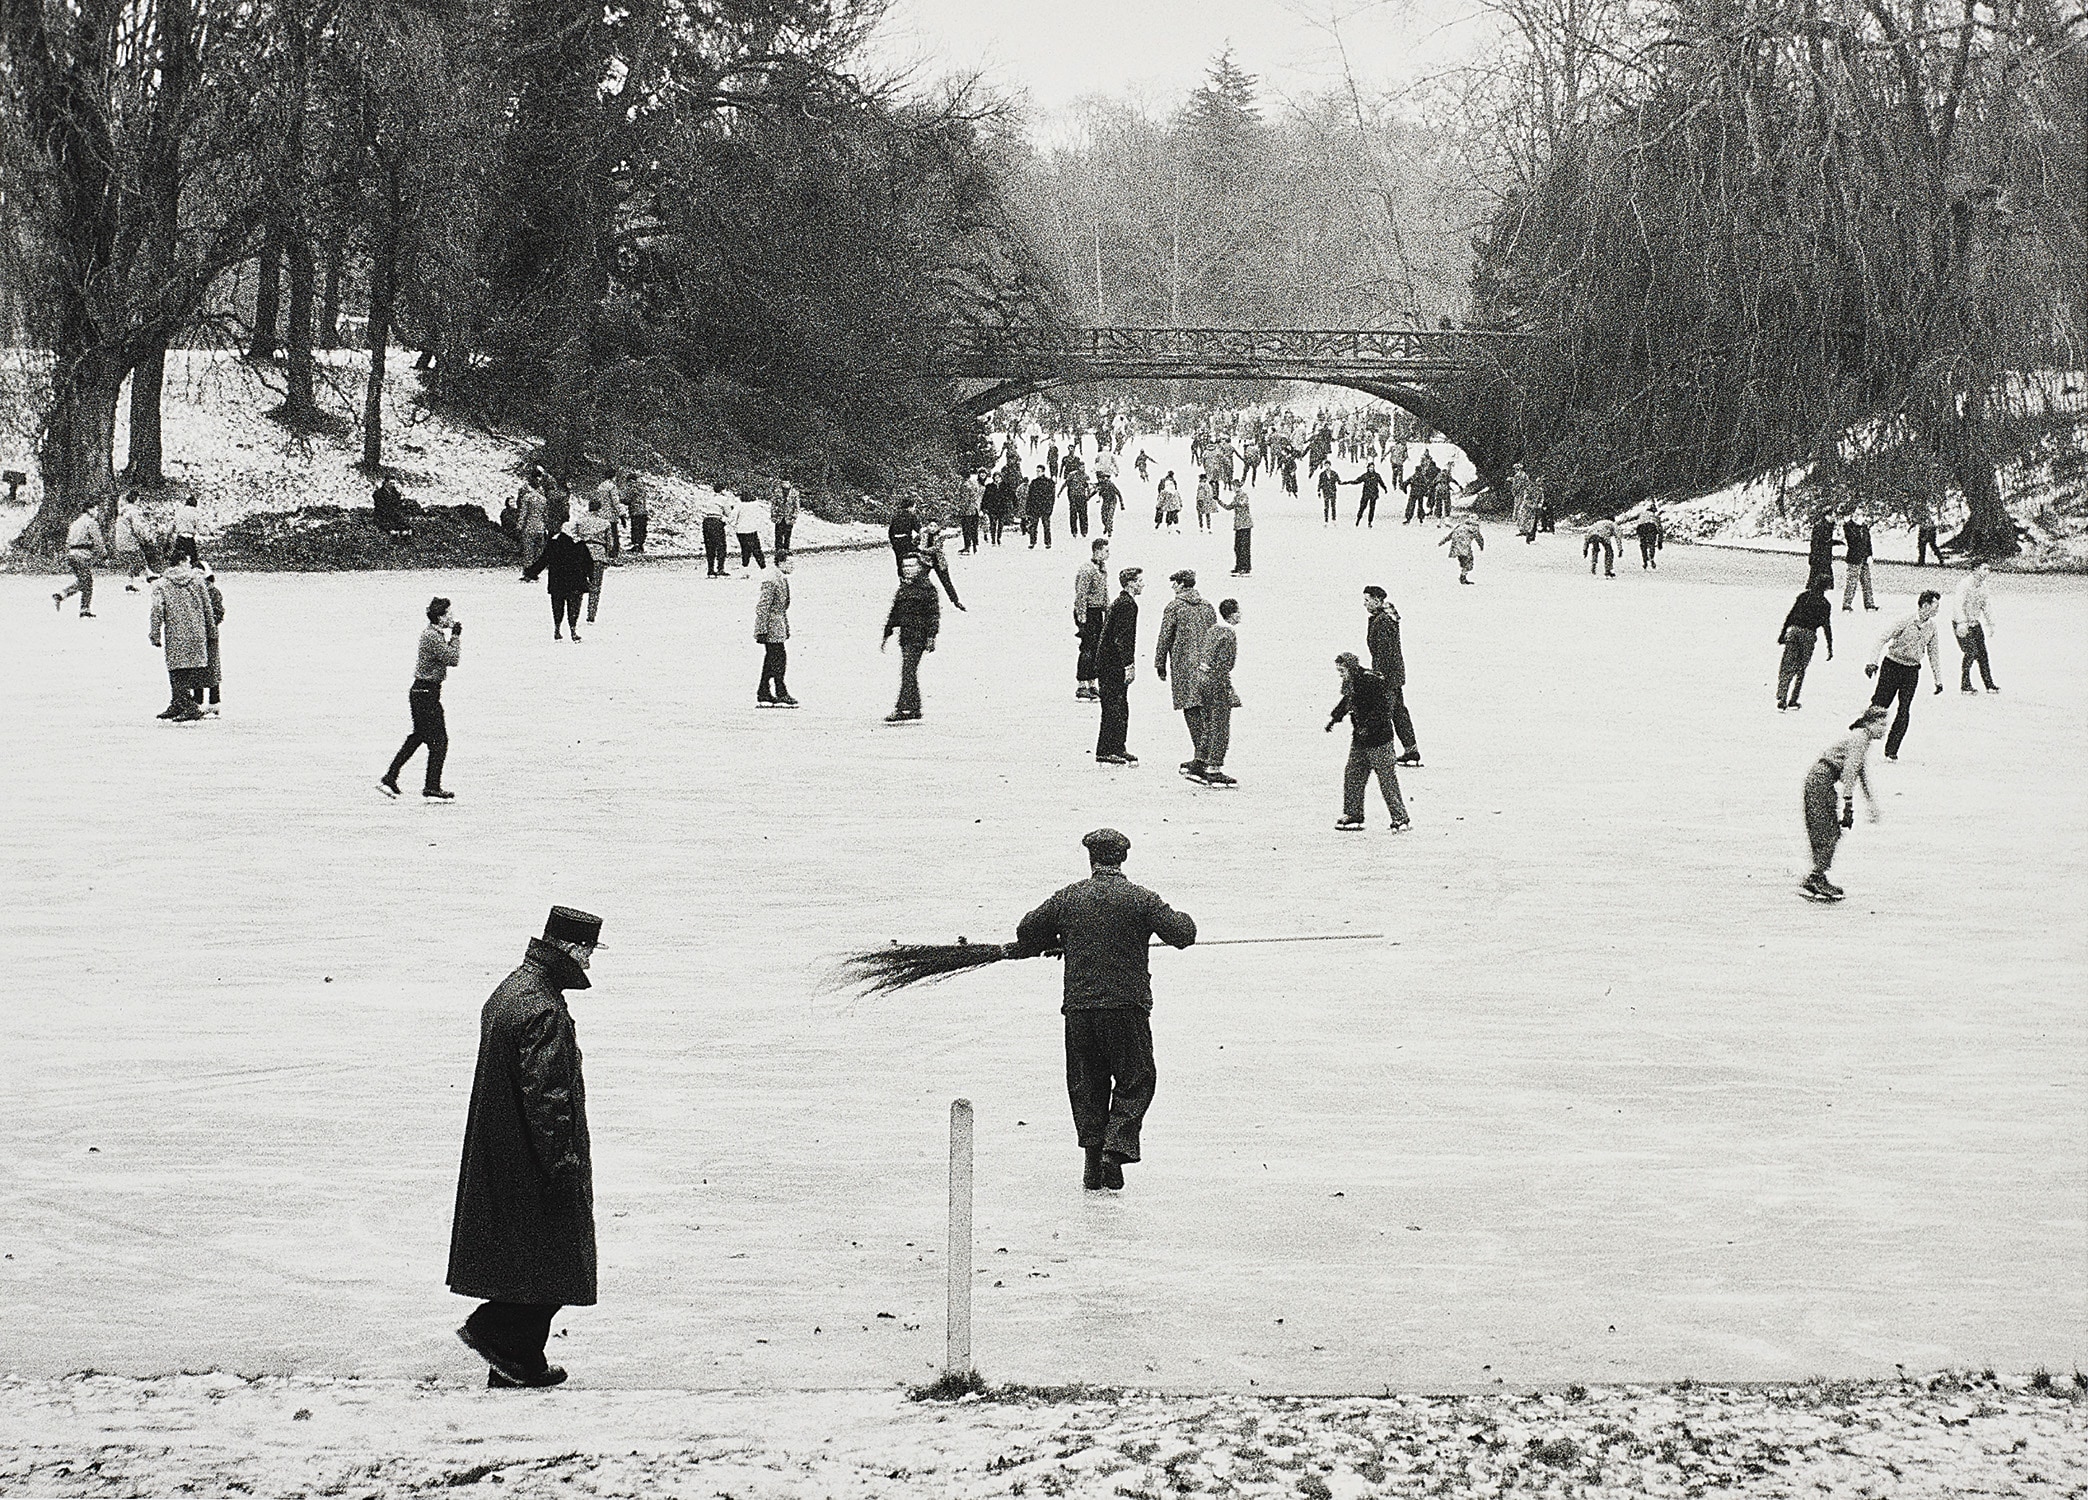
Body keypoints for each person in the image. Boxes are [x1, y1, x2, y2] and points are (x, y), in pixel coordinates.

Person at [449, 905, 605, 1389]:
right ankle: (498, 1333)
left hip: (504, 1152)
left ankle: (519, 1358)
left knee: (529, 1263)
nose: (589, 962)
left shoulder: (513, 991)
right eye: (588, 952)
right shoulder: (543, 1008)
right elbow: (549, 1095)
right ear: (574, 949)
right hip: (533, 1158)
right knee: (557, 1259)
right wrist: (564, 1165)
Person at [1005, 829, 1197, 1191]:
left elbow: (1026, 930)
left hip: (1080, 1009)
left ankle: (1093, 1163)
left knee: (1086, 1084)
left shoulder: (1068, 898)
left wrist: (1058, 940)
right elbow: (1183, 934)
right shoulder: (1141, 899)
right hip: (1127, 1008)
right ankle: (1115, 1148)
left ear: (1091, 858)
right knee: (1136, 1078)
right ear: (1122, 858)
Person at [379, 596, 463, 800]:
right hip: (425, 694)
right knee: (439, 741)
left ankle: (391, 777)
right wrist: (456, 637)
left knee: (419, 737)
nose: (451, 617)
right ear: (440, 616)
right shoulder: (432, 636)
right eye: (448, 614)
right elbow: (452, 659)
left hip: (424, 693)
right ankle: (431, 786)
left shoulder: (433, 633)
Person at [1800, 707, 1885, 901]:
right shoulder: (1860, 739)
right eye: (1881, 724)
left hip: (1821, 781)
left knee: (1829, 830)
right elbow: (1849, 771)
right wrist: (1848, 805)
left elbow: (1860, 772)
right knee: (1827, 830)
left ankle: (1818, 875)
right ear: (1869, 723)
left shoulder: (1861, 738)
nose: (1884, 729)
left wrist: (1870, 802)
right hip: (1821, 781)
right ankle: (1816, 877)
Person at [1328, 653, 1410, 832]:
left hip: (1379, 740)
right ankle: (1353, 815)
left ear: (1350, 668)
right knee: (1353, 775)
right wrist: (1335, 718)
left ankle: (1400, 818)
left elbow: (1383, 708)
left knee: (1387, 780)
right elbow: (1347, 702)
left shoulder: (1369, 682)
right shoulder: (1352, 684)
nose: (1340, 674)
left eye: (1342, 671)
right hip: (1361, 740)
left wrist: (1369, 727)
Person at [1864, 589, 1945, 760]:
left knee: (1904, 709)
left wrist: (1938, 680)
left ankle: (1891, 750)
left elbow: (1934, 654)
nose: (1938, 610)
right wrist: (1872, 662)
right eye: (1935, 605)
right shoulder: (1906, 620)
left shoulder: (1931, 627)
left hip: (1911, 670)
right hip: (1892, 666)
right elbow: (1882, 638)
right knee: (1880, 704)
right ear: (1925, 605)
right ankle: (1861, 735)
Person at [1153, 569, 1217, 779]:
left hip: (1184, 666)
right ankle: (1205, 754)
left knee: (1191, 709)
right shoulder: (1207, 606)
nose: (1172, 587)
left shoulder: (1174, 607)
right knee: (1206, 711)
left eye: (1174, 583)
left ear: (1181, 584)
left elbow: (1165, 637)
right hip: (1206, 666)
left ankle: (1201, 757)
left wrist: (1159, 663)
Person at [147, 554, 217, 722]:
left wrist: (155, 633)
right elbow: (207, 607)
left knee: (176, 670)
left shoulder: (161, 584)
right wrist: (211, 630)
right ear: (183, 562)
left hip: (176, 632)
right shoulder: (198, 581)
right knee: (189, 669)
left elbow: (157, 610)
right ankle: (179, 702)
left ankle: (187, 705)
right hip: (196, 631)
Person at [1363, 586, 1421, 766]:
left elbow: (1385, 652)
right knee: (1398, 712)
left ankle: (1385, 753)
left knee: (1384, 713)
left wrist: (1379, 677)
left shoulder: (1382, 622)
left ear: (1378, 600)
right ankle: (1411, 750)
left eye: (1367, 600)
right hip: (1393, 674)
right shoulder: (1383, 618)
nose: (1364, 604)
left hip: (1387, 675)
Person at [882, 553, 940, 722]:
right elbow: (895, 611)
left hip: (919, 636)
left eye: (911, 566)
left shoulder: (927, 589)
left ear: (919, 568)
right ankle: (914, 707)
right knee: (909, 671)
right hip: (906, 635)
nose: (907, 570)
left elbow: (934, 615)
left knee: (908, 671)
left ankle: (903, 708)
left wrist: (931, 637)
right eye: (905, 567)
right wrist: (888, 630)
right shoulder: (904, 588)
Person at [1095, 567, 1143, 765]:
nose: (1142, 584)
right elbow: (1123, 638)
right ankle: (1109, 749)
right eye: (1139, 580)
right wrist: (1128, 665)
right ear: (1130, 583)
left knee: (1118, 706)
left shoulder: (1123, 602)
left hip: (1108, 664)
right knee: (1115, 707)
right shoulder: (1127, 605)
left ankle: (1116, 747)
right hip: (1112, 665)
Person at [1193, 599, 1241, 786]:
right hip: (1216, 682)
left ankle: (1200, 761)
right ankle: (1214, 768)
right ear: (1232, 614)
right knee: (1220, 725)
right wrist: (1228, 688)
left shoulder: (1212, 630)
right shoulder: (1228, 634)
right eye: (1238, 611)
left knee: (1208, 723)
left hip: (1202, 680)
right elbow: (1224, 665)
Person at [1775, 573, 1835, 711]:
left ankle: (1782, 696)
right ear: (1826, 588)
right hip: (1808, 635)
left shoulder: (1803, 597)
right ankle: (1793, 699)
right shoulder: (1825, 604)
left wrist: (1783, 633)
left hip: (1794, 631)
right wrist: (1830, 646)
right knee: (1801, 668)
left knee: (1786, 665)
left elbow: (1790, 615)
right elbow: (1826, 626)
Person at [524, 523, 593, 641]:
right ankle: (573, 630)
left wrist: (531, 572)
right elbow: (588, 563)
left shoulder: (553, 544)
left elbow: (543, 560)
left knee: (557, 607)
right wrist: (591, 577)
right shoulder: (580, 544)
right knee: (574, 607)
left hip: (557, 582)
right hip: (576, 582)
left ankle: (557, 629)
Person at [753, 551, 797, 707]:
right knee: (778, 658)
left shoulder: (779, 578)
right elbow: (763, 607)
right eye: (790, 563)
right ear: (781, 563)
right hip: (771, 626)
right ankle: (780, 691)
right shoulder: (772, 580)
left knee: (773, 658)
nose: (793, 567)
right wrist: (761, 629)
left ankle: (764, 691)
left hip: (777, 625)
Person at [1073, 539, 1110, 701]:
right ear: (1096, 551)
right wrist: (1082, 617)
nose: (1108, 554)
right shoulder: (1087, 570)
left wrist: (1108, 610)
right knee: (1087, 648)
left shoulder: (1101, 568)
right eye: (1106, 551)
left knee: (1096, 648)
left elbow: (1104, 592)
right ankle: (1082, 685)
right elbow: (1081, 594)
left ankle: (1092, 683)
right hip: (1087, 612)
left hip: (1097, 613)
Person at [53, 500, 104, 617]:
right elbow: (98, 541)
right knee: (88, 582)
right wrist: (103, 554)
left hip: (72, 554)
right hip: (82, 554)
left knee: (83, 580)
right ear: (89, 510)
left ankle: (61, 595)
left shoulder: (75, 523)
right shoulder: (91, 522)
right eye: (96, 509)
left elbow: (68, 541)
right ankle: (84, 610)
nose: (97, 512)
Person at [1954, 562, 1999, 693]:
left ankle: (1989, 685)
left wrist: (1991, 623)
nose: (1987, 572)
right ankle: (1965, 685)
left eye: (1988, 569)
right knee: (1971, 652)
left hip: (1975, 622)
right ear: (1975, 569)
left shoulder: (1983, 586)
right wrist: (1961, 623)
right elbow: (1958, 604)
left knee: (1983, 654)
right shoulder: (1964, 585)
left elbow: (1986, 606)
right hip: (1961, 623)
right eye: (1984, 569)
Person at [571, 497, 614, 623]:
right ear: (600, 509)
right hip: (598, 555)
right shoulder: (605, 523)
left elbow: (573, 537)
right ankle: (591, 615)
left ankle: (575, 612)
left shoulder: (580, 521)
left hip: (581, 554)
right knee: (595, 586)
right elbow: (610, 543)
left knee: (578, 586)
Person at [112, 492, 160, 591]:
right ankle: (148, 575)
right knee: (137, 556)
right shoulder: (134, 511)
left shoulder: (122, 511)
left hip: (120, 538)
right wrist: (147, 537)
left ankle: (134, 580)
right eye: (139, 499)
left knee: (135, 559)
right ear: (136, 499)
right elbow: (138, 527)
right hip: (130, 538)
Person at [1840, 512, 1876, 611]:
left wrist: (1870, 555)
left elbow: (1868, 543)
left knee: (1867, 582)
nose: (1862, 518)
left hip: (1864, 559)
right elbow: (1852, 539)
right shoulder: (1849, 527)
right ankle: (1846, 605)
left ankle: (1869, 604)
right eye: (1860, 516)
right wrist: (1849, 523)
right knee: (1852, 583)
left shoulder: (1864, 529)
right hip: (1854, 559)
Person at [516, 476, 550, 577]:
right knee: (538, 551)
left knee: (528, 551)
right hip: (540, 527)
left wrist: (519, 526)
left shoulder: (527, 497)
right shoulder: (543, 499)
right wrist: (545, 527)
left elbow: (523, 514)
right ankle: (535, 572)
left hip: (529, 527)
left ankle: (527, 573)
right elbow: (545, 515)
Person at [733, 489, 771, 575]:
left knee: (745, 550)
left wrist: (734, 525)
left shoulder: (739, 506)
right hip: (752, 530)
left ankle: (745, 570)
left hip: (741, 530)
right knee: (757, 549)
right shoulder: (755, 505)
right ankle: (763, 568)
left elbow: (733, 517)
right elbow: (759, 517)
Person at [1218, 484, 1252, 576]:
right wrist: (1218, 501)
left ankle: (1245, 567)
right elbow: (1228, 507)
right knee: (1237, 547)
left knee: (1244, 547)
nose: (1234, 489)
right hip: (1238, 525)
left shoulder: (1244, 496)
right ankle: (1239, 566)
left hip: (1245, 525)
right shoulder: (1236, 497)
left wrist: (1236, 501)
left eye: (1235, 487)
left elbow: (1242, 503)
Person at [1439, 515, 1484, 583]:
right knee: (1469, 562)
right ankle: (1463, 577)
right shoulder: (1475, 528)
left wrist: (1442, 542)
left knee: (1463, 561)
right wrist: (1481, 546)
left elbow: (1450, 535)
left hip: (1456, 547)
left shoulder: (1460, 526)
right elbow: (1479, 538)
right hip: (1465, 547)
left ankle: (1463, 576)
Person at [1344, 460, 1389, 527]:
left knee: (1372, 509)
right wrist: (1348, 482)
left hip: (1373, 494)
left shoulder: (1377, 475)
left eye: (1372, 467)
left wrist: (1385, 488)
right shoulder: (1365, 476)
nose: (1371, 469)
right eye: (1370, 467)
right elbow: (1357, 481)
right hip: (1366, 494)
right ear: (1368, 468)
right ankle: (1358, 519)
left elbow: (1381, 483)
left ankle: (1370, 522)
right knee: (1362, 507)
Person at [700, 492, 731, 578]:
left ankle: (710, 570)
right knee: (721, 546)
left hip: (706, 521)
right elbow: (728, 513)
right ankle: (720, 569)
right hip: (716, 521)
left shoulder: (709, 497)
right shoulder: (724, 499)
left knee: (709, 546)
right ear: (723, 490)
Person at [1023, 468, 1055, 550]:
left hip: (1045, 508)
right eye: (1036, 471)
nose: (1037, 473)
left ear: (1043, 472)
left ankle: (1048, 542)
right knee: (1033, 526)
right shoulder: (1034, 482)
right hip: (1035, 508)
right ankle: (1032, 542)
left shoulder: (1049, 482)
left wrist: (1050, 508)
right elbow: (1029, 497)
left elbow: (1052, 497)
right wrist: (1028, 508)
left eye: (1039, 471)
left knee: (1046, 526)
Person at [1511, 464, 1542, 543]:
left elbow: (1516, 486)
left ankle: (1524, 530)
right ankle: (1526, 531)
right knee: (1525, 514)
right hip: (1523, 496)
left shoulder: (1519, 476)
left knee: (1521, 512)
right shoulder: (1525, 476)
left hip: (1521, 495)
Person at [1063, 455, 1091, 538]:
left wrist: (1088, 495)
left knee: (1083, 515)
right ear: (1078, 467)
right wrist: (1060, 492)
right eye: (1082, 467)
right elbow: (1066, 483)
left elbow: (1088, 486)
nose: (1083, 468)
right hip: (1073, 497)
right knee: (1073, 515)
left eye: (1084, 467)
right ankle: (1074, 531)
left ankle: (1084, 531)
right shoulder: (1072, 475)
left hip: (1082, 497)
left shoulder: (1086, 476)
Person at [957, 471, 985, 554]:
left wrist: (960, 509)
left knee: (966, 529)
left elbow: (965, 500)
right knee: (974, 529)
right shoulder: (975, 484)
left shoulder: (965, 485)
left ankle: (967, 547)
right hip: (975, 510)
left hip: (967, 511)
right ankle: (975, 546)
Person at [1807, 513, 1838, 583]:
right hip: (1819, 557)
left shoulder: (1828, 525)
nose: (1834, 518)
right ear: (1826, 516)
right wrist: (1833, 542)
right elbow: (1818, 542)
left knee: (1822, 579)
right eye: (1832, 516)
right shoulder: (1820, 526)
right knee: (1818, 579)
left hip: (1824, 557)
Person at [622, 474, 648, 555]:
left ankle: (636, 546)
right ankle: (641, 546)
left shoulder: (632, 487)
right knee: (642, 528)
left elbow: (627, 499)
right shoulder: (642, 487)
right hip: (643, 511)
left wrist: (620, 499)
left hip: (635, 511)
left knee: (635, 528)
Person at [773, 481, 800, 556]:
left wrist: (794, 516)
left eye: (787, 489)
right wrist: (774, 515)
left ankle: (786, 548)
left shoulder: (794, 495)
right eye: (784, 489)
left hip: (789, 517)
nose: (785, 491)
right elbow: (774, 505)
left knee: (787, 534)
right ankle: (778, 549)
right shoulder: (777, 494)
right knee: (778, 533)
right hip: (780, 517)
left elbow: (797, 507)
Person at [1095, 471, 1123, 537]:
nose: (1099, 480)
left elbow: (1118, 493)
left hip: (1112, 501)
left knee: (1110, 516)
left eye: (1100, 478)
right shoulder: (1100, 485)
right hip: (1105, 502)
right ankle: (1106, 526)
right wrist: (1088, 498)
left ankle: (1110, 531)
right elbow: (1095, 492)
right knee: (1103, 517)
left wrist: (1122, 504)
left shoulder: (1110, 484)